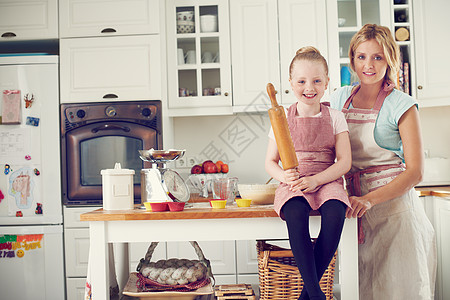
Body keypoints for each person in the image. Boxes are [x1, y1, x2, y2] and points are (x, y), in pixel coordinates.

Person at [330, 24, 436, 300]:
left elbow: (415, 171)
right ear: (352, 59)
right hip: (356, 213)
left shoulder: (402, 104)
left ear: (390, 59)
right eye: (362, 56)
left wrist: (370, 199)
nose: (369, 65)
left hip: (396, 216)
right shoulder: (339, 98)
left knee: (399, 291)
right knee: (362, 290)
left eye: (378, 57)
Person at [265, 46, 352, 300]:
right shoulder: (281, 118)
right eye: (301, 81)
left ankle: (309, 296)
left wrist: (317, 180)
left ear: (327, 83)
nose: (309, 87)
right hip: (295, 180)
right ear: (290, 83)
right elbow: (270, 162)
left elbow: (344, 161)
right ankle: (316, 295)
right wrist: (284, 177)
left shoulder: (335, 117)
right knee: (295, 212)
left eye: (316, 81)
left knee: (336, 212)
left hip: (327, 178)